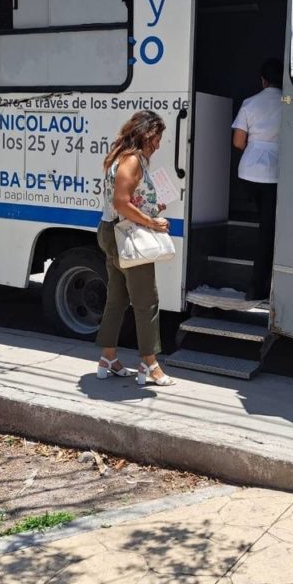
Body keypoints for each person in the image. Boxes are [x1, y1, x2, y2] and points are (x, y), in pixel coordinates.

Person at [95, 109, 174, 386]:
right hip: (128, 236)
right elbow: (121, 202)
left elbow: (128, 199)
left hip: (111, 231)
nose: (159, 145)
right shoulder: (132, 161)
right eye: (157, 138)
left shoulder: (120, 156)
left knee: (117, 299)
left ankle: (108, 359)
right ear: (147, 134)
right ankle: (149, 364)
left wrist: (152, 206)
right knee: (146, 302)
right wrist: (151, 222)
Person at [232, 57, 283, 301]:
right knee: (267, 230)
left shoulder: (250, 102)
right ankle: (257, 286)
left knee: (260, 218)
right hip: (274, 174)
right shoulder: (289, 101)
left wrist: (256, 150)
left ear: (263, 81)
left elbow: (238, 142)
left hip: (247, 173)